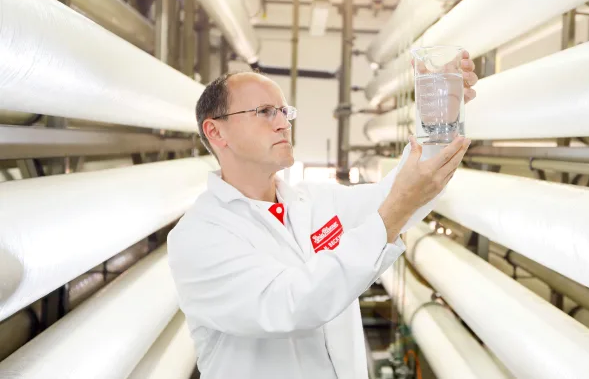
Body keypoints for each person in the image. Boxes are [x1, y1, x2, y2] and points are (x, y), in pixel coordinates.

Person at [166, 51, 479, 378]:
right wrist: (393, 212)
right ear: (216, 132)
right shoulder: (198, 237)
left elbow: (403, 194)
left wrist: (438, 117)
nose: (283, 123)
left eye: (285, 112)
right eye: (265, 112)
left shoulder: (314, 202)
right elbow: (289, 304)